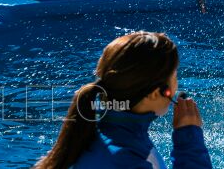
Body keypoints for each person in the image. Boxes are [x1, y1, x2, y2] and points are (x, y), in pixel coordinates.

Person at [35, 31, 212, 169]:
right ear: (153, 93)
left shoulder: (97, 134)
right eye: (174, 75)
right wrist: (189, 143)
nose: (177, 84)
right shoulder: (126, 160)